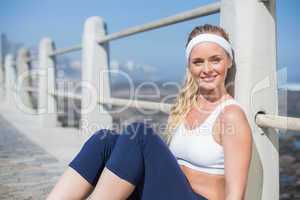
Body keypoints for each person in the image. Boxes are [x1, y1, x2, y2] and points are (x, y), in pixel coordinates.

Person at [47, 24, 252, 200]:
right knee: (105, 140)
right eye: (198, 62)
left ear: (229, 61)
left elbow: (235, 194)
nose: (207, 69)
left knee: (140, 134)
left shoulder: (230, 115)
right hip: (168, 193)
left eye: (215, 59)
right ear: (189, 66)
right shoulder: (187, 106)